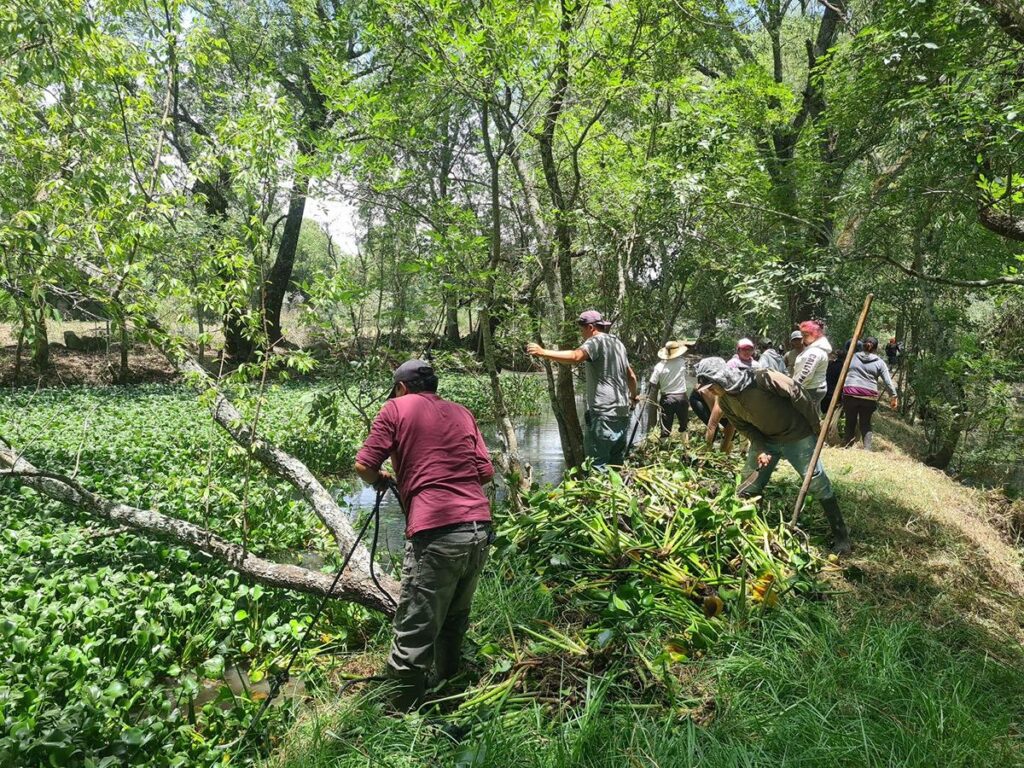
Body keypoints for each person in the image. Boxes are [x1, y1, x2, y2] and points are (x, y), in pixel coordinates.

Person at [354, 360, 494, 710]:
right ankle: (448, 690)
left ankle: (400, 715)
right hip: (478, 529)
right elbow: (485, 472)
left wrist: (383, 479)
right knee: (454, 620)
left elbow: (364, 466)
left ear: (401, 388)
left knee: (415, 628)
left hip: (435, 533)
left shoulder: (395, 409)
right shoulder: (462, 412)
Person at [694, 357, 851, 554]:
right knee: (747, 486)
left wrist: (815, 426)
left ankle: (841, 536)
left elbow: (798, 392)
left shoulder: (762, 378)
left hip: (797, 436)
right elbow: (745, 428)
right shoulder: (725, 402)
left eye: (711, 386)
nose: (710, 391)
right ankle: (751, 529)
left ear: (721, 378)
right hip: (768, 440)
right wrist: (760, 448)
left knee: (816, 482)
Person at [526, 310, 638, 467]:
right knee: (615, 465)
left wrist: (543, 352)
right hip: (622, 413)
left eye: (582, 329)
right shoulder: (618, 344)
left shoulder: (595, 341)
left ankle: (598, 491)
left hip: (603, 413)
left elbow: (575, 356)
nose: (582, 334)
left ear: (591, 327)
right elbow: (631, 376)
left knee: (597, 465)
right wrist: (633, 397)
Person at [842, 336, 898, 451]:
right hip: (868, 396)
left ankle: (847, 447)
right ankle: (867, 449)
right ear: (876, 349)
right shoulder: (880, 362)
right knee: (865, 423)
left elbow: (843, 373)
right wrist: (893, 396)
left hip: (850, 392)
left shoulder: (851, 357)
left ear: (862, 346)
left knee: (850, 421)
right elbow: (887, 381)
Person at [649, 339, 692, 437]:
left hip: (667, 399)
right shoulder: (682, 362)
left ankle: (664, 448)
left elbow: (652, 383)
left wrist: (663, 383)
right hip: (682, 397)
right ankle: (685, 447)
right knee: (684, 425)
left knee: (665, 428)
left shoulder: (659, 366)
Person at [793, 320, 833, 410]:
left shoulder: (814, 352)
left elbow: (806, 372)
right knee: (814, 416)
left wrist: (795, 388)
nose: (803, 339)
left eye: (806, 335)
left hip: (811, 388)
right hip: (814, 386)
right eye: (802, 335)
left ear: (814, 334)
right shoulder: (816, 349)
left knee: (805, 419)